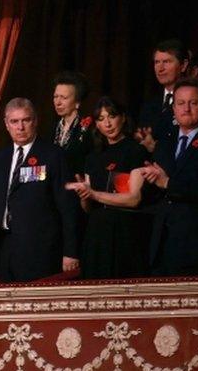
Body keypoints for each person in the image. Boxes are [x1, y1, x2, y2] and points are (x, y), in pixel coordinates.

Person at [0, 98, 79, 282]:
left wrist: (71, 252)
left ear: (35, 121)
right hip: (6, 246)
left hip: (41, 249)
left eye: (26, 120)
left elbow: (68, 207)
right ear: (7, 125)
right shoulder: (0, 159)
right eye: (14, 121)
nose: (20, 127)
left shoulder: (53, 155)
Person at [64, 97, 152, 279]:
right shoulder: (93, 158)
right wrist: (84, 195)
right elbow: (88, 208)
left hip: (124, 233)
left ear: (123, 118)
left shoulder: (134, 151)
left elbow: (133, 198)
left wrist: (94, 194)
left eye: (112, 116)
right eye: (101, 119)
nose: (108, 123)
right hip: (96, 235)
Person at [141, 77, 198, 276]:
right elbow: (156, 189)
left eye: (193, 103)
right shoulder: (165, 141)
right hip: (162, 244)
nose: (186, 109)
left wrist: (168, 182)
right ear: (173, 107)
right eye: (181, 103)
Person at [136, 39, 190, 153]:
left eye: (167, 62)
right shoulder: (149, 105)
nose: (160, 69)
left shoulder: (192, 103)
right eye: (157, 62)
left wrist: (156, 149)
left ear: (183, 65)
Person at [49, 71, 94, 177]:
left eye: (64, 98)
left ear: (77, 103)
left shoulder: (88, 129)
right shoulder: (53, 128)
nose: (58, 102)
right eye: (55, 96)